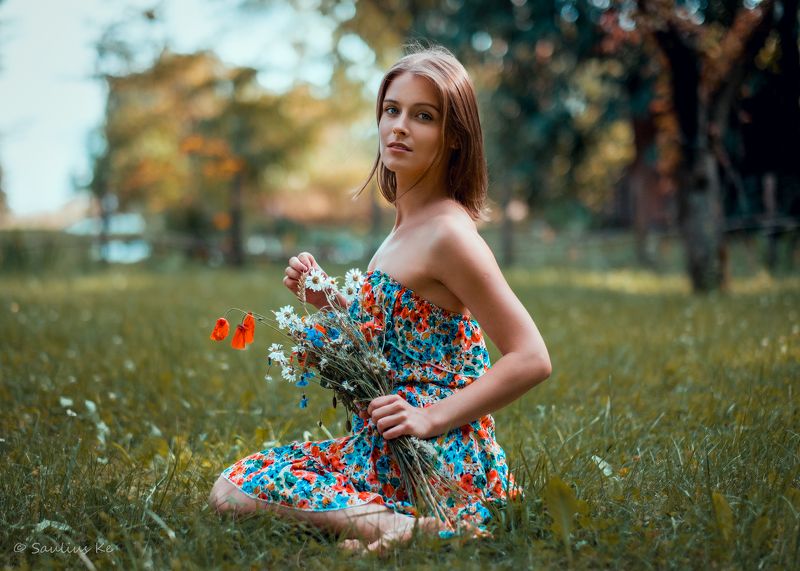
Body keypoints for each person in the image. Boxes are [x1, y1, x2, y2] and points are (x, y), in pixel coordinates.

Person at [208, 45, 552, 555]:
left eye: (423, 116)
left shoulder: (449, 235)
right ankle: (397, 524)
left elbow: (532, 357)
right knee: (235, 485)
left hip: (436, 451)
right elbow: (397, 339)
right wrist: (329, 302)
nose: (399, 127)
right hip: (388, 444)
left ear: (454, 137)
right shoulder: (403, 229)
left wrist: (431, 418)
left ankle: (401, 527)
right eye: (391, 110)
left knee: (235, 491)